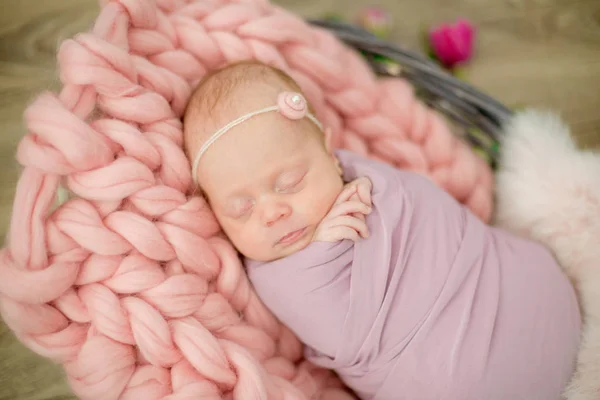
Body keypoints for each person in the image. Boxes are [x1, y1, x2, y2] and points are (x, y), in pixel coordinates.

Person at [183, 60, 581, 399]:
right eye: (241, 208)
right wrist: (325, 247)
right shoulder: (274, 275)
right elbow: (340, 335)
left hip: (512, 285)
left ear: (329, 152)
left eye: (289, 182)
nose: (271, 212)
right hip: (457, 378)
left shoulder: (371, 181)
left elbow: (422, 209)